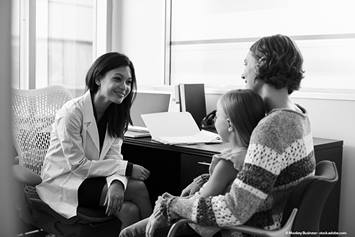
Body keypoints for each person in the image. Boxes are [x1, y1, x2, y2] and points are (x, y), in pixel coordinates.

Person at [121, 34, 317, 237]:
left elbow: (234, 210)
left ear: (263, 63)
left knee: (130, 234)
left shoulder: (271, 128)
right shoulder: (299, 117)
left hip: (248, 229)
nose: (243, 74)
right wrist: (209, 179)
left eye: (246, 63)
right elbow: (259, 181)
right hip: (267, 221)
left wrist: (173, 204)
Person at [36, 52, 152, 229]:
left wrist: (116, 182)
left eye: (128, 82)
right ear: (98, 79)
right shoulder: (71, 113)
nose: (124, 87)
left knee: (129, 211)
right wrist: (127, 169)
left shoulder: (116, 115)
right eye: (118, 79)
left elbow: (113, 157)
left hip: (93, 178)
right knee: (138, 188)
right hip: (65, 180)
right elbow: (78, 165)